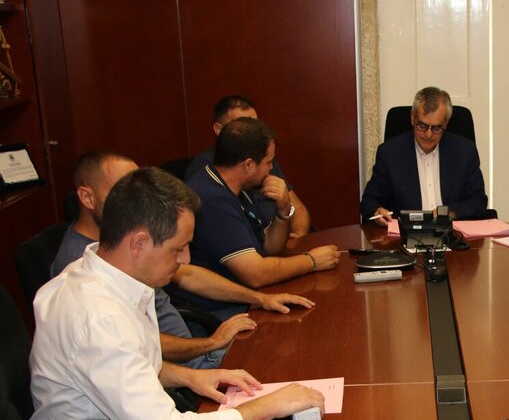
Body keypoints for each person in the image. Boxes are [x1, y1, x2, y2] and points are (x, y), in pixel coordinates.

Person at [28, 168, 326, 420]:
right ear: (138, 243)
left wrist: (188, 376)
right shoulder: (98, 317)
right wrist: (270, 405)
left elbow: (121, 366)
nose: (184, 259)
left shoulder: (102, 274)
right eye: (177, 248)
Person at [53, 150, 315, 369]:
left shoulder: (128, 243)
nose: (138, 200)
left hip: (194, 353)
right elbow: (129, 347)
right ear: (87, 197)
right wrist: (210, 343)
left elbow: (189, 275)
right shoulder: (83, 268)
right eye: (123, 190)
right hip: (184, 364)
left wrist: (258, 299)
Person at [183, 117, 340, 318]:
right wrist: (312, 261)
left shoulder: (239, 187)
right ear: (248, 165)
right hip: (222, 311)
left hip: (249, 299)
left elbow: (269, 247)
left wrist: (284, 209)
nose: (271, 168)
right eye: (268, 162)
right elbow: (255, 274)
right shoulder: (212, 199)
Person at [184, 94, 312, 238]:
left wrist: (298, 238)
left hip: (275, 239)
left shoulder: (264, 159)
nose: (253, 131)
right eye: (243, 124)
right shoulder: (207, 171)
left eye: (255, 124)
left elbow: (296, 206)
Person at [360, 86, 488, 223]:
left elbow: (478, 200)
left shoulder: (465, 151)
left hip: (452, 231)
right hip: (406, 233)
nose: (428, 134)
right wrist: (377, 211)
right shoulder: (389, 153)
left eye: (436, 128)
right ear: (412, 118)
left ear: (446, 123)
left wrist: (449, 212)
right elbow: (369, 201)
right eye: (422, 126)